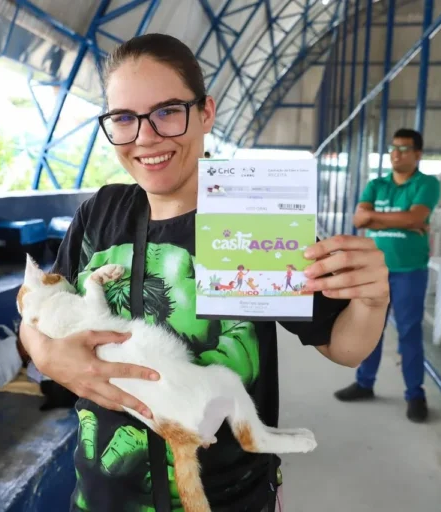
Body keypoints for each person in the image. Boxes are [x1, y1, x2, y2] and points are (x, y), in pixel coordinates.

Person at [20, 34, 389, 512]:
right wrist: (46, 355)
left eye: (167, 111)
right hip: (102, 497)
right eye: (124, 118)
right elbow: (38, 310)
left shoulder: (253, 213)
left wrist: (372, 300)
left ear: (206, 112)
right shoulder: (100, 212)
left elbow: (343, 346)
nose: (146, 136)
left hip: (231, 499)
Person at [334, 128, 441, 423]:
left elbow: (416, 217)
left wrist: (378, 219)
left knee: (409, 332)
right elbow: (359, 219)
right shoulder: (377, 185)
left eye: (404, 149)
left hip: (409, 272)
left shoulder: (426, 184)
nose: (396, 154)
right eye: (393, 148)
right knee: (371, 328)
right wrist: (403, 221)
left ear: (417, 154)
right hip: (374, 271)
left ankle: (415, 394)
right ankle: (365, 383)